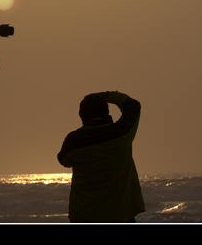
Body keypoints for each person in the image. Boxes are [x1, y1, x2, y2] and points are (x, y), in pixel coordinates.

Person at [57, 91, 145, 222]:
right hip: (120, 215)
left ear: (82, 115)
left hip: (84, 216)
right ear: (106, 112)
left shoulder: (74, 141)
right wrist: (106, 96)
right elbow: (133, 106)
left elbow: (63, 160)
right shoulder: (122, 133)